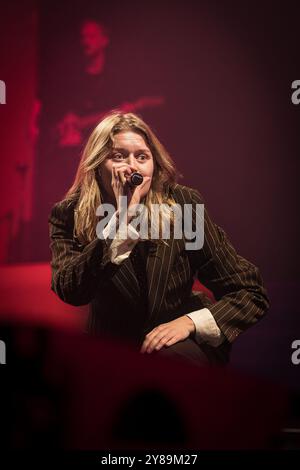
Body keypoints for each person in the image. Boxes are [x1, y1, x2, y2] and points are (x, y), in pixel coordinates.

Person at [48, 111, 269, 367]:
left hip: (179, 347)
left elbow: (249, 290)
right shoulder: (69, 214)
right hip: (113, 348)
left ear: (154, 165)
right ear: (97, 166)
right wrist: (120, 220)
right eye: (118, 156)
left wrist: (190, 323)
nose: (132, 166)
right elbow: (71, 290)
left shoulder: (183, 205)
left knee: (171, 359)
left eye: (142, 156)